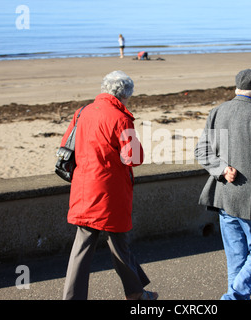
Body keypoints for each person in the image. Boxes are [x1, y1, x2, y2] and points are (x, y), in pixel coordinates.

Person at [61, 70, 158, 300]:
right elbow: (134, 157)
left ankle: (73, 298)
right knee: (119, 243)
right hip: (109, 191)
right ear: (125, 95)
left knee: (82, 247)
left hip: (84, 188)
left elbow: (66, 145)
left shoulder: (82, 112)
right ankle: (135, 293)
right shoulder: (121, 118)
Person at [194, 69, 251, 300]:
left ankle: (236, 297)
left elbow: (201, 151)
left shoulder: (217, 112)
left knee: (236, 256)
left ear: (237, 89)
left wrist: (222, 169)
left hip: (224, 196)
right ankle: (232, 298)